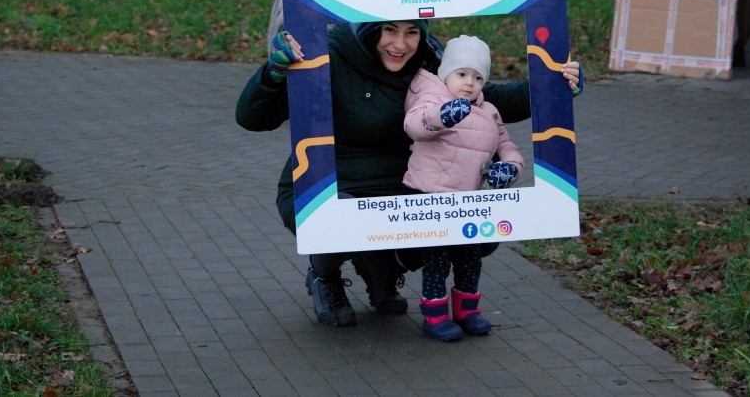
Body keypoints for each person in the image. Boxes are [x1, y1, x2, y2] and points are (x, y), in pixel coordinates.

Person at [235, 20, 582, 327]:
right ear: (370, 30)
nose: (401, 45)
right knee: (332, 219)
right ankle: (325, 276)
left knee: (474, 230)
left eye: (411, 32)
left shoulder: (429, 66)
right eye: (389, 30)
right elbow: (252, 117)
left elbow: (489, 98)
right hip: (329, 182)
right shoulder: (325, 58)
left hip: (404, 189)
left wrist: (554, 84)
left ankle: (382, 267)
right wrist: (274, 71)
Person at [402, 35, 524, 341]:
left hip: (467, 202)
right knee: (437, 259)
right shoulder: (431, 97)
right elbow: (414, 124)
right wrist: (440, 118)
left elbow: (507, 147)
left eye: (478, 76)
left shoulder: (490, 112)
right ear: (446, 74)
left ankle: (468, 311)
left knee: (470, 257)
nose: (469, 83)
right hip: (431, 196)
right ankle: (435, 315)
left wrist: (509, 168)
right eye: (461, 74)